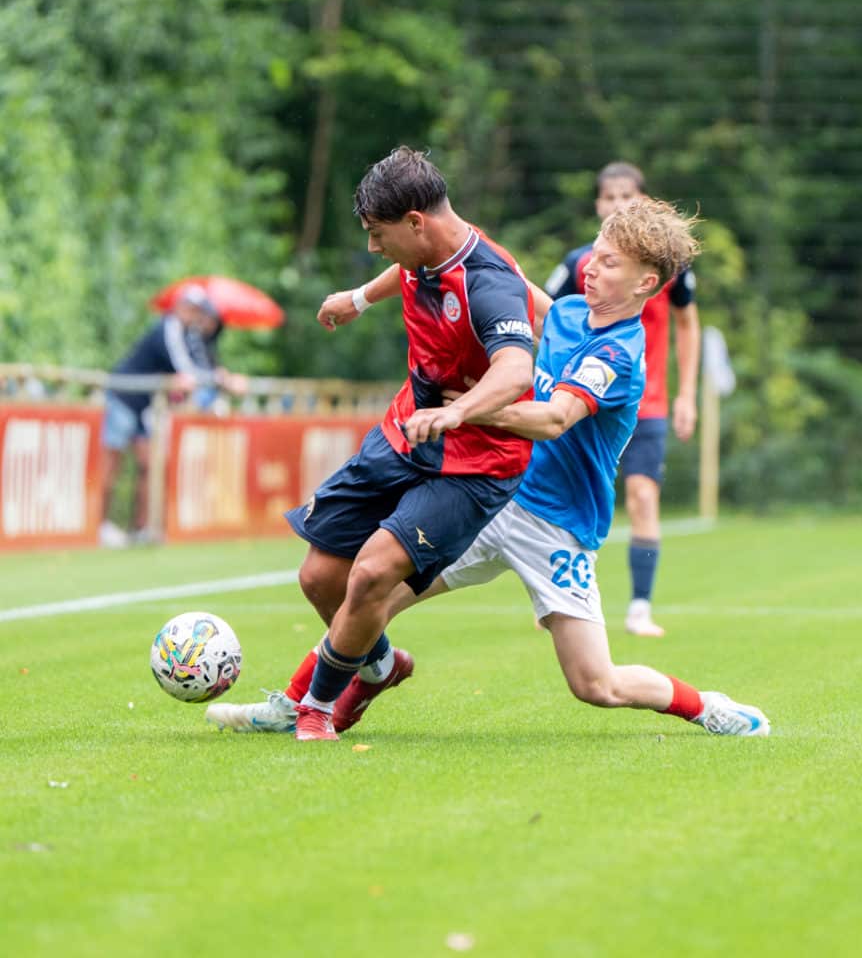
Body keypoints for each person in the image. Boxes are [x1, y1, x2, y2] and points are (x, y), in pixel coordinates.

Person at [209, 197, 770, 739]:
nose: (589, 268)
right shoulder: (570, 311)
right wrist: (362, 296)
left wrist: (468, 409)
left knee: (597, 684)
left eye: (608, 263)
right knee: (369, 592)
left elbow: (553, 419)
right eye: (593, 255)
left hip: (558, 527)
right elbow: (478, 266)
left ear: (646, 283)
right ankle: (303, 703)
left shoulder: (618, 355)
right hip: (493, 498)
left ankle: (706, 707)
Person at [207, 145, 536, 740]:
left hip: (474, 463)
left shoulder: (490, 283)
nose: (371, 246)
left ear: (417, 222)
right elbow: (404, 269)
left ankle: (316, 708)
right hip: (405, 432)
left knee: (369, 575)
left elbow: (516, 372)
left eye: (377, 234)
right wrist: (358, 298)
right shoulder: (422, 251)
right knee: (319, 579)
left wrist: (458, 412)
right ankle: (380, 666)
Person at [545, 162, 700, 637]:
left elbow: (688, 324)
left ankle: (639, 606)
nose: (616, 205)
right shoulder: (580, 263)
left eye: (626, 196)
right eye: (608, 198)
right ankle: (554, 593)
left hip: (646, 400)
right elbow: (546, 315)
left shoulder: (668, 269)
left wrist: (686, 394)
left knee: (641, 495)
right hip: (585, 396)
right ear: (597, 205)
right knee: (564, 491)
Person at [99, 284, 225, 548]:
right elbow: (185, 370)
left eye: (197, 310)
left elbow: (196, 369)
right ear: (179, 307)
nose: (193, 314)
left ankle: (142, 527)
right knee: (111, 463)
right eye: (190, 308)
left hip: (146, 406)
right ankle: (99, 525)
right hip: (125, 398)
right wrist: (217, 379)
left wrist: (216, 377)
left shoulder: (190, 333)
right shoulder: (168, 328)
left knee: (148, 464)